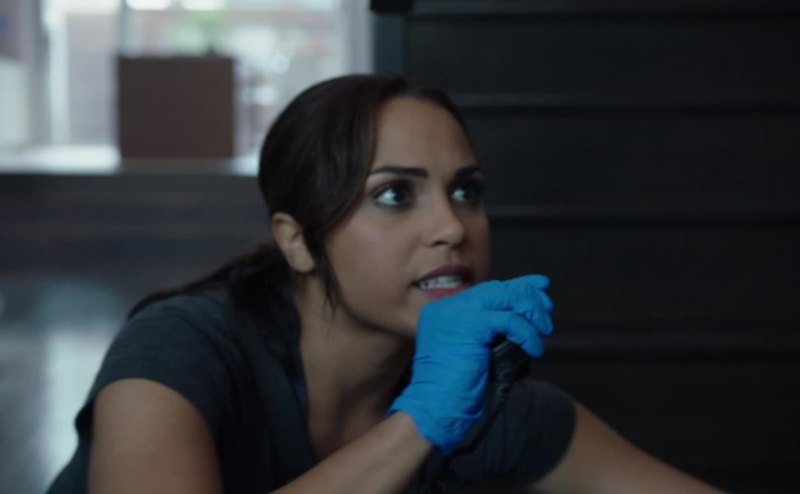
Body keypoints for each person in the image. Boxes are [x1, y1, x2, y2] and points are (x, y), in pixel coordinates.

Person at [47, 74, 724, 493]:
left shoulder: (486, 404)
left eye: (467, 191)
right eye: (395, 194)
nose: (452, 227)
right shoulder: (179, 350)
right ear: (297, 240)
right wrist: (420, 424)